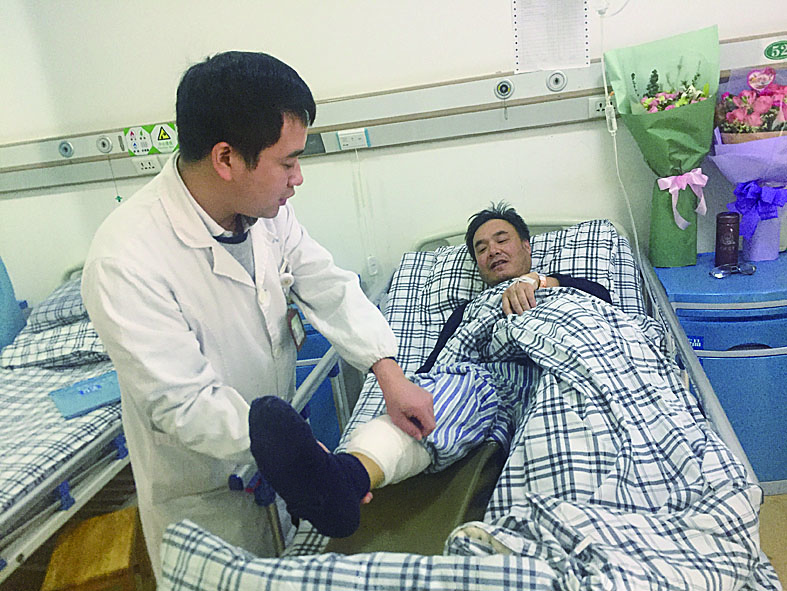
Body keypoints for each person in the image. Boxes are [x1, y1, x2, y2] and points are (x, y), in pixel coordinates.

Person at [81, 51, 435, 580]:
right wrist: (294, 456)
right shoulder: (126, 259)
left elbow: (328, 285)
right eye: (288, 162)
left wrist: (388, 370)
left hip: (274, 473)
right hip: (206, 497)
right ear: (226, 159)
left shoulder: (265, 213)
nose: (298, 179)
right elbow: (183, 401)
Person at [250, 201, 611, 538]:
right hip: (491, 383)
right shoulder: (467, 311)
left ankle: (577, 528)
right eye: (482, 248)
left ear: (527, 247)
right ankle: (345, 480)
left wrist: (538, 283)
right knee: (445, 394)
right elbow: (439, 368)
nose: (492, 251)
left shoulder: (567, 287)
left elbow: (605, 309)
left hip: (561, 371)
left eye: (502, 240)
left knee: (565, 426)